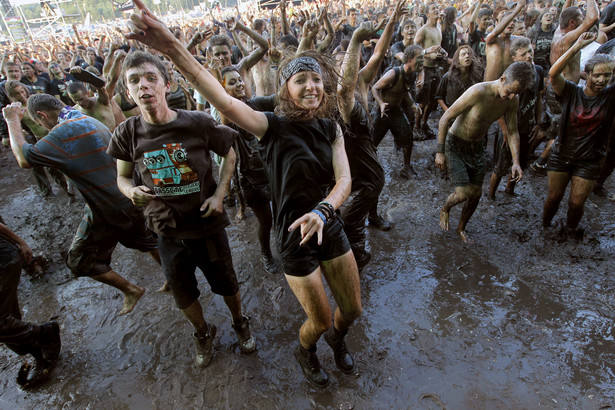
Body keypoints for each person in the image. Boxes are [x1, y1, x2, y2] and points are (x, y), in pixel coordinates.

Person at [126, 0, 362, 387]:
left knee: (351, 310)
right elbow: (222, 99)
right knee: (317, 320)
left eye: (316, 79)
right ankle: (306, 351)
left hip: (327, 224)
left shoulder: (331, 127)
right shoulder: (270, 126)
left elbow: (345, 182)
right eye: (300, 80)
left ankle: (338, 340)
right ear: (285, 88)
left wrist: (323, 211)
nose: (311, 86)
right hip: (292, 237)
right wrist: (171, 48)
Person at [107, 51, 256, 368]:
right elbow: (121, 176)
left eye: (150, 78)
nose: (144, 86)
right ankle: (203, 333)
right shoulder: (127, 133)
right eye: (135, 81)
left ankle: (240, 321)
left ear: (166, 84)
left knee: (227, 284)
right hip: (168, 232)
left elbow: (230, 152)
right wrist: (130, 190)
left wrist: (219, 195)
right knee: (183, 294)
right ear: (128, 92)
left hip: (207, 227)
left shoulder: (198, 122)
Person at [2, 94, 160, 316]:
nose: (43, 128)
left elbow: (24, 159)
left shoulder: (62, 133)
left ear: (43, 115)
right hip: (129, 195)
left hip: (105, 207)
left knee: (78, 261)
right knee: (146, 240)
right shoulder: (86, 118)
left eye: (40, 124)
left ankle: (131, 290)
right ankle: (174, 277)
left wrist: (11, 121)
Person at [435, 61, 535, 243]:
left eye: (516, 93)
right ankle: (446, 208)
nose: (511, 96)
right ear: (503, 79)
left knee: (476, 193)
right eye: (509, 91)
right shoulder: (478, 92)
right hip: (456, 144)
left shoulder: (512, 100)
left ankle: (461, 228)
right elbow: (445, 118)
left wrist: (516, 162)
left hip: (477, 147)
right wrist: (440, 152)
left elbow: (512, 131)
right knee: (464, 193)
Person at [542, 32, 615, 233]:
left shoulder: (610, 96)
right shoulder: (571, 91)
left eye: (607, 76)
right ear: (587, 74)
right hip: (561, 154)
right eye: (597, 75)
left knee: (576, 203)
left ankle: (570, 231)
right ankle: (545, 228)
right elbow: (554, 74)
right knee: (553, 198)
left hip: (590, 160)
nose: (601, 80)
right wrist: (577, 46)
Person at [217, 66, 277, 273]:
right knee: (266, 221)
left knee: (282, 213)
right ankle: (266, 253)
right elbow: (225, 110)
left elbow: (277, 98)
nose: (239, 84)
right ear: (223, 90)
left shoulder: (255, 104)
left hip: (273, 171)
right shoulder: (227, 115)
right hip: (251, 178)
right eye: (231, 83)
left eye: (239, 80)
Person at [0, 222, 61, 388]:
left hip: (3, 262)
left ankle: (45, 333)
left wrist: (21, 242)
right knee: (9, 321)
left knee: (2, 321)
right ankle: (40, 355)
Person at [488, 37, 545, 199]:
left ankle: (509, 190)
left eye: (530, 51)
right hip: (510, 126)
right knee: (501, 165)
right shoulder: (510, 75)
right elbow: (497, 105)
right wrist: (504, 130)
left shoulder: (539, 70)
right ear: (514, 58)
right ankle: (491, 196)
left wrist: (538, 122)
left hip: (528, 126)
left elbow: (539, 98)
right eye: (523, 54)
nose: (528, 56)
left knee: (521, 162)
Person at [435, 45, 484, 111]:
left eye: (469, 54)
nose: (467, 56)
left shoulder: (477, 76)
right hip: (453, 114)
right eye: (463, 54)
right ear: (457, 59)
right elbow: (439, 97)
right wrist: (448, 111)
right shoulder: (448, 77)